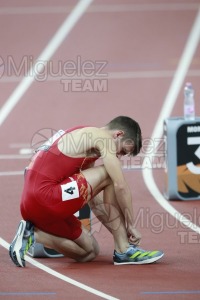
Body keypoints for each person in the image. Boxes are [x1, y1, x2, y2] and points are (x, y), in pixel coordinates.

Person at [9, 116, 164, 267]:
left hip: (34, 204)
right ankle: (123, 250)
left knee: (89, 252)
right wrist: (131, 225)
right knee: (111, 175)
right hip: (44, 197)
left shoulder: (85, 141)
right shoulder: (102, 137)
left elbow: (96, 203)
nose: (118, 156)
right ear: (118, 134)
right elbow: (120, 185)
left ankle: (31, 235)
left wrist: (121, 231)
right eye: (122, 151)